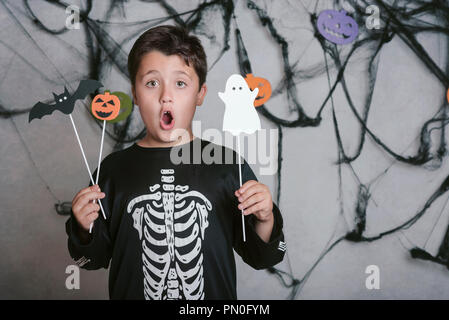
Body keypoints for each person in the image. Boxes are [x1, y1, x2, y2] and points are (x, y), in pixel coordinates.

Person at [66, 25, 285, 300]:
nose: (165, 96)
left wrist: (265, 217)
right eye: (152, 83)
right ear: (134, 93)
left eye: (180, 83)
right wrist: (83, 227)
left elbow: (263, 257)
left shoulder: (228, 165)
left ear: (200, 94)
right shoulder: (111, 171)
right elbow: (91, 260)